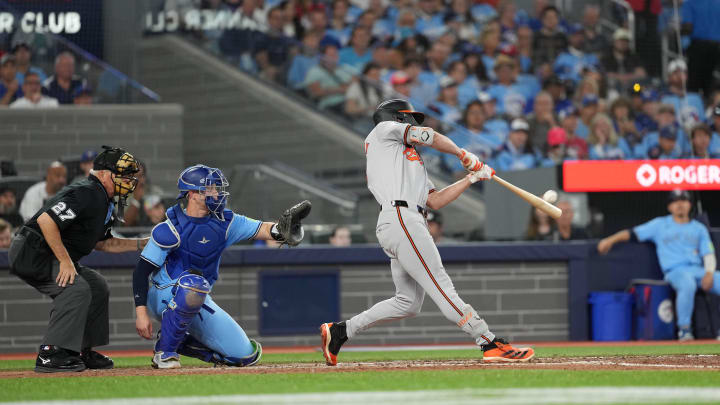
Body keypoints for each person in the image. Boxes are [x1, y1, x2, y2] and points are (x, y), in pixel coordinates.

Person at [319, 99, 534, 366]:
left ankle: (341, 331)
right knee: (441, 286)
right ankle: (488, 341)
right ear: (395, 117)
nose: (412, 123)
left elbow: (435, 201)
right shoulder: (383, 130)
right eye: (408, 118)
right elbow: (430, 136)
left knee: (407, 302)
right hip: (400, 218)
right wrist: (462, 153)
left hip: (405, 220)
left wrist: (472, 178)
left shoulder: (408, 161)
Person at [132, 165, 311, 369]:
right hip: (163, 294)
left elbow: (265, 229)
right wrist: (141, 313)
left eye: (217, 188)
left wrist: (285, 227)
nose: (216, 193)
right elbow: (141, 272)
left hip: (197, 294)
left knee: (245, 355)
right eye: (210, 189)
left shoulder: (226, 222)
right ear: (192, 194)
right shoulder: (170, 227)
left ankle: (177, 340)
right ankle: (165, 353)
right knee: (194, 285)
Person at [7, 146, 146, 372]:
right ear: (102, 173)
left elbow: (104, 243)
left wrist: (145, 242)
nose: (129, 182)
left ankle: (81, 350)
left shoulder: (103, 198)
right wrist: (65, 261)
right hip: (31, 251)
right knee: (76, 288)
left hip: (46, 251)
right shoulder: (88, 191)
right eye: (123, 176)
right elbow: (46, 221)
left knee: (97, 285)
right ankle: (51, 353)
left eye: (130, 177)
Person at [597, 190, 720, 340]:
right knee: (687, 283)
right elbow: (632, 233)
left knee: (717, 279)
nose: (680, 204)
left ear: (690, 204)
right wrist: (610, 240)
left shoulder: (698, 228)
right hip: (675, 271)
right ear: (669, 206)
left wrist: (708, 273)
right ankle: (685, 330)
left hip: (699, 271)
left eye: (683, 200)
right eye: (675, 201)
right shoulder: (660, 225)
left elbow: (708, 253)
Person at [681, 0, 720, 97]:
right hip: (716, 47)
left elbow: (688, 27)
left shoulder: (690, 3)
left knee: (694, 83)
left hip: (698, 47)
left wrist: (679, 31)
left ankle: (695, 107)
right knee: (710, 82)